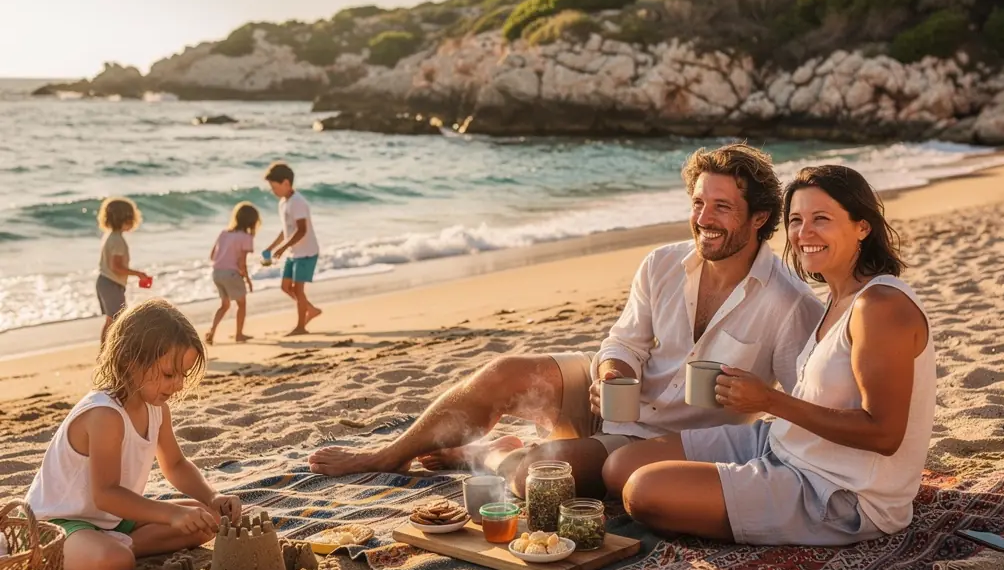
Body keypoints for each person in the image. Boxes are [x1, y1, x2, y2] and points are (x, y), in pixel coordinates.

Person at [308, 143, 823, 494]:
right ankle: (388, 453)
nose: (703, 219)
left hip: (658, 441)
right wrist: (609, 372)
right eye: (697, 203)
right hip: (615, 402)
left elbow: (805, 405)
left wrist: (757, 399)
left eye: (721, 208)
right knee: (505, 373)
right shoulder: (663, 263)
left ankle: (488, 453)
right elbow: (624, 340)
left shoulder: (789, 303)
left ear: (760, 218)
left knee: (531, 478)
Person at [606, 164, 935, 546]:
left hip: (838, 490)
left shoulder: (880, 306)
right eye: (796, 220)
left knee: (644, 491)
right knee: (619, 466)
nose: (804, 233)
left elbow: (884, 434)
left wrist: (768, 400)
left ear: (862, 226)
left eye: (821, 219)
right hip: (783, 443)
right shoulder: (839, 298)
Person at [25, 299, 243, 570]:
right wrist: (172, 514)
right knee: (114, 567)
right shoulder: (104, 414)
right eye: (169, 374)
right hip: (60, 522)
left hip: (112, 521)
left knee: (209, 519)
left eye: (184, 374)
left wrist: (212, 495)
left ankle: (117, 545)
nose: (178, 385)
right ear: (131, 359)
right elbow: (106, 495)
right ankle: (46, 558)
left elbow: (175, 465)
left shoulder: (155, 406)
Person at [263, 161, 321, 336]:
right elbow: (286, 228)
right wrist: (273, 246)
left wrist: (282, 248)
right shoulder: (283, 202)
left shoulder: (297, 202)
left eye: (274, 187)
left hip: (306, 252)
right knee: (285, 286)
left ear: (286, 183)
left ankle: (301, 326)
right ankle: (310, 310)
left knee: (298, 289)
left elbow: (302, 230)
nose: (273, 192)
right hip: (293, 251)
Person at [96, 196, 150, 346]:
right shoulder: (117, 240)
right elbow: (116, 267)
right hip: (111, 283)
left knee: (111, 319)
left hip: (105, 282)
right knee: (118, 320)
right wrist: (139, 274)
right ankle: (110, 351)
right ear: (126, 219)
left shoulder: (110, 236)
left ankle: (105, 351)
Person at [205, 201, 259, 345]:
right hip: (231, 273)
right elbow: (242, 262)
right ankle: (239, 334)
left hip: (217, 272)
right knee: (242, 303)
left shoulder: (224, 233)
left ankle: (212, 332)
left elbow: (212, 256)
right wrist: (248, 280)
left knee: (224, 305)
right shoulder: (246, 237)